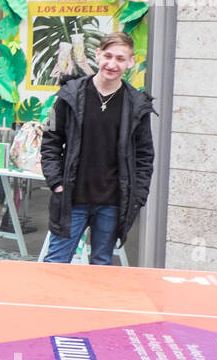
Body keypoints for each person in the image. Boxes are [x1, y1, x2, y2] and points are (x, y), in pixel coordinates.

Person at [40, 31, 155, 265]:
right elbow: (50, 140)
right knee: (56, 264)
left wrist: (138, 197)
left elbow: (145, 156)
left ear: (130, 62)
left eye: (120, 59)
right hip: (72, 198)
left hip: (113, 203)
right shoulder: (70, 95)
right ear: (98, 55)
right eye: (108, 56)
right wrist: (57, 183)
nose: (112, 64)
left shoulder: (136, 105)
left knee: (101, 266)